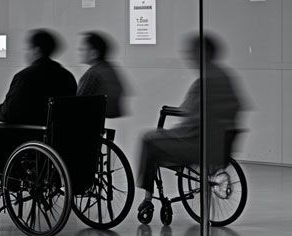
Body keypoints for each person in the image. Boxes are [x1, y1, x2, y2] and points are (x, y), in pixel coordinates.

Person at [136, 33, 243, 210]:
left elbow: (190, 116)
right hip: (221, 145)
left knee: (149, 140)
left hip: (196, 145)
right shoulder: (226, 78)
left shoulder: (203, 83)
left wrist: (173, 130)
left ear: (203, 53)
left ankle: (148, 197)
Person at [0, 29, 77, 172]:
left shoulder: (26, 77)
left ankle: (0, 173)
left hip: (27, 135)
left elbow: (9, 112)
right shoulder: (67, 77)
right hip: (55, 137)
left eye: (28, 49)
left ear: (36, 50)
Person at [77, 31, 129, 118]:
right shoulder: (109, 69)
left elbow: (77, 103)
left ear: (94, 53)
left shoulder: (93, 74)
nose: (80, 52)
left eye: (83, 49)